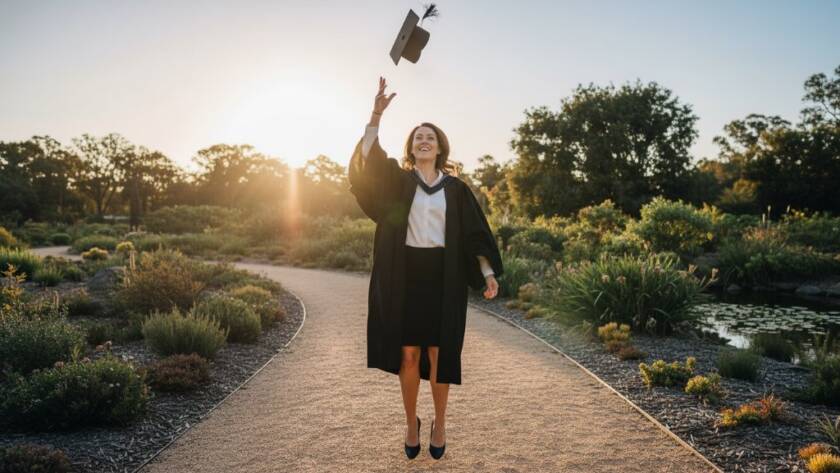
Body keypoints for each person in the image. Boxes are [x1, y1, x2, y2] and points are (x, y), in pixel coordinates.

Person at [347, 76, 504, 460]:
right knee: (409, 355)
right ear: (411, 148)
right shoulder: (398, 182)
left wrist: (486, 273)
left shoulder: (456, 190)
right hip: (405, 275)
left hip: (444, 277)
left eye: (429, 137)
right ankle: (410, 421)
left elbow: (474, 236)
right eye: (417, 137)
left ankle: (441, 422)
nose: (423, 141)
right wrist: (375, 115)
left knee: (439, 353)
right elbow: (366, 165)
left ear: (440, 148)